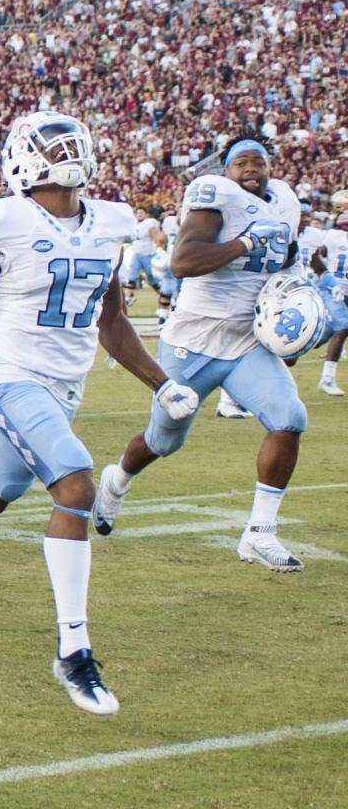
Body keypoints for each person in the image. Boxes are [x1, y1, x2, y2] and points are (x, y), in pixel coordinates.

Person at [0, 111, 198, 715]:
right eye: (56, 145)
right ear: (27, 160)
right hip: (10, 376)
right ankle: (73, 650)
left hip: (63, 387)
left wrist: (162, 383)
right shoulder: (8, 220)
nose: (70, 151)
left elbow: (113, 322)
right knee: (75, 483)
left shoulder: (107, 222)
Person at [92, 137, 308, 570]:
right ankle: (117, 480)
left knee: (289, 418)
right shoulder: (215, 197)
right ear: (225, 171)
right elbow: (183, 261)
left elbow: (289, 262)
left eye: (259, 162)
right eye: (241, 162)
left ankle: (259, 534)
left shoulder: (284, 200)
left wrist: (300, 316)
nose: (251, 168)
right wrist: (246, 243)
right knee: (164, 440)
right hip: (192, 341)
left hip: (248, 340)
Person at [315, 191, 348, 396]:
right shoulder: (333, 236)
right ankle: (327, 379)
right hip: (333, 289)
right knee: (344, 327)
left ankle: (289, 351)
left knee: (323, 334)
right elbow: (317, 254)